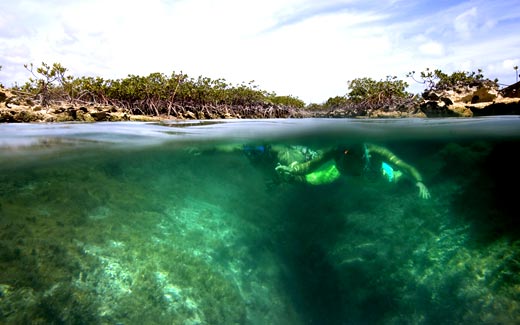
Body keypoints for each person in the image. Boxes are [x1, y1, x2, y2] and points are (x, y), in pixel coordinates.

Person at [275, 143, 431, 199]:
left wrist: (419, 182)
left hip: (381, 179)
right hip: (355, 181)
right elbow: (310, 165)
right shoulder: (335, 150)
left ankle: (399, 178)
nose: (348, 151)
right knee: (320, 177)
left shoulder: (375, 151)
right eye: (346, 150)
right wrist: (292, 170)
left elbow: (405, 166)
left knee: (396, 178)